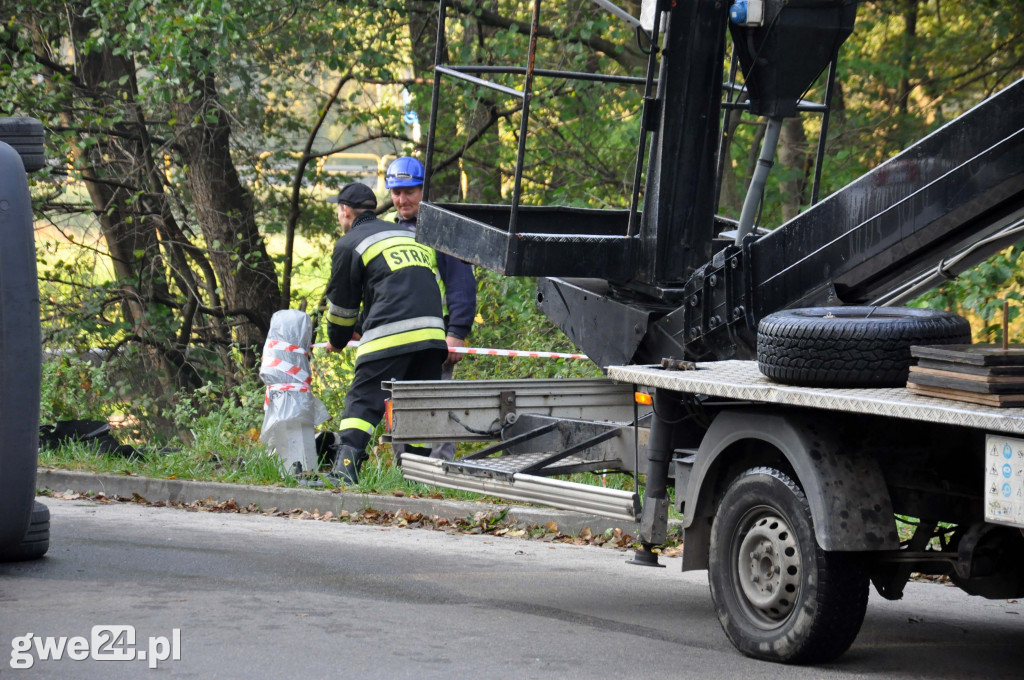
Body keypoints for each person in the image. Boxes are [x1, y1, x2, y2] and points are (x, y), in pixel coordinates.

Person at [320, 182, 449, 484]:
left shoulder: (350, 243)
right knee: (417, 406)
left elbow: (342, 307)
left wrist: (339, 339)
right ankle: (418, 479)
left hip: (393, 331)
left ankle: (345, 471)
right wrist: (361, 327)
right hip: (432, 333)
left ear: (345, 211)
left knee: (363, 400)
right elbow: (397, 291)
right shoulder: (405, 234)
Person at [385, 156, 478, 461]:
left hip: (437, 338)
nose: (402, 199)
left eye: (409, 191)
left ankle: (441, 475)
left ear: (424, 190)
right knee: (401, 408)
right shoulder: (389, 235)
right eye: (396, 193)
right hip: (399, 340)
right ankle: (407, 472)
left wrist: (457, 332)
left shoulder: (441, 231)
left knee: (439, 408)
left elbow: (461, 283)